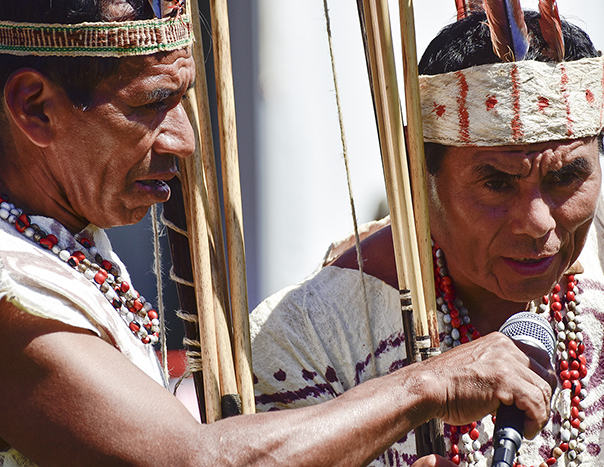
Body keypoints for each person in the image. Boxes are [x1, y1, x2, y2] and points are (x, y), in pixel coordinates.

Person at [0, 2, 556, 466]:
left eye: (183, 101)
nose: (184, 140)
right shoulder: (12, 290)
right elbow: (190, 462)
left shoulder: (61, 248)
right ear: (35, 108)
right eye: (151, 104)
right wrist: (429, 385)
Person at [250, 7, 604, 467]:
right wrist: (421, 387)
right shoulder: (305, 334)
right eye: (498, 183)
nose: (538, 222)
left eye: (566, 177)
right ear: (414, 165)